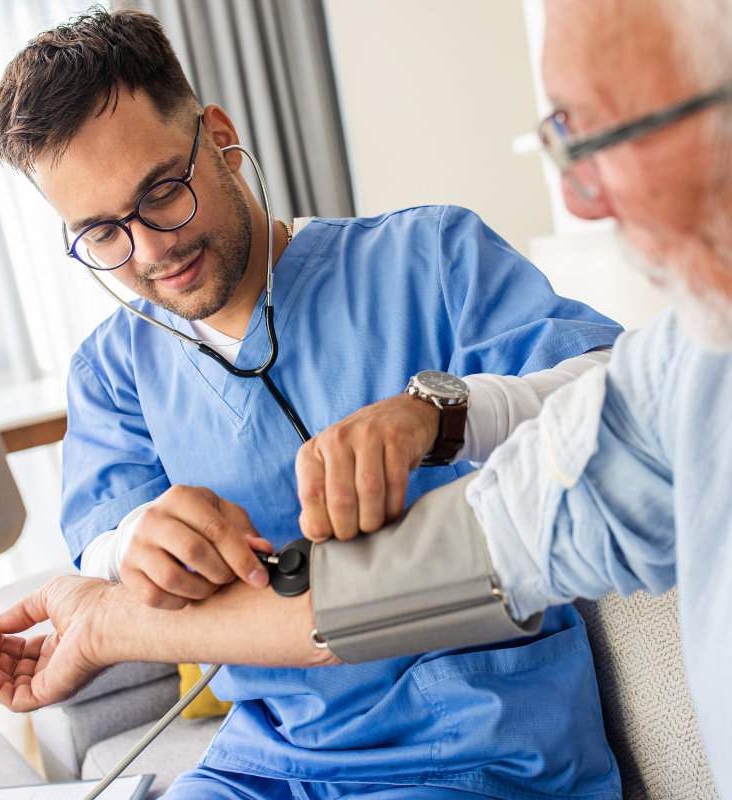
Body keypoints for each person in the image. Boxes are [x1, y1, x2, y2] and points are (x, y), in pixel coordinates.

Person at [0, 9, 624, 799]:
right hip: (266, 762)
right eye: (103, 234)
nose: (149, 251)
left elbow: (628, 397)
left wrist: (439, 415)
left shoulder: (430, 259)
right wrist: (134, 540)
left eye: (162, 193)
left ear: (219, 136)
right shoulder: (114, 372)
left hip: (478, 745)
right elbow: (100, 543)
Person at [292, 0, 732, 795]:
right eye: (562, 139)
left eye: (601, 137)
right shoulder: (698, 353)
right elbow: (525, 514)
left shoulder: (428, 248)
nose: (583, 203)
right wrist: (115, 615)